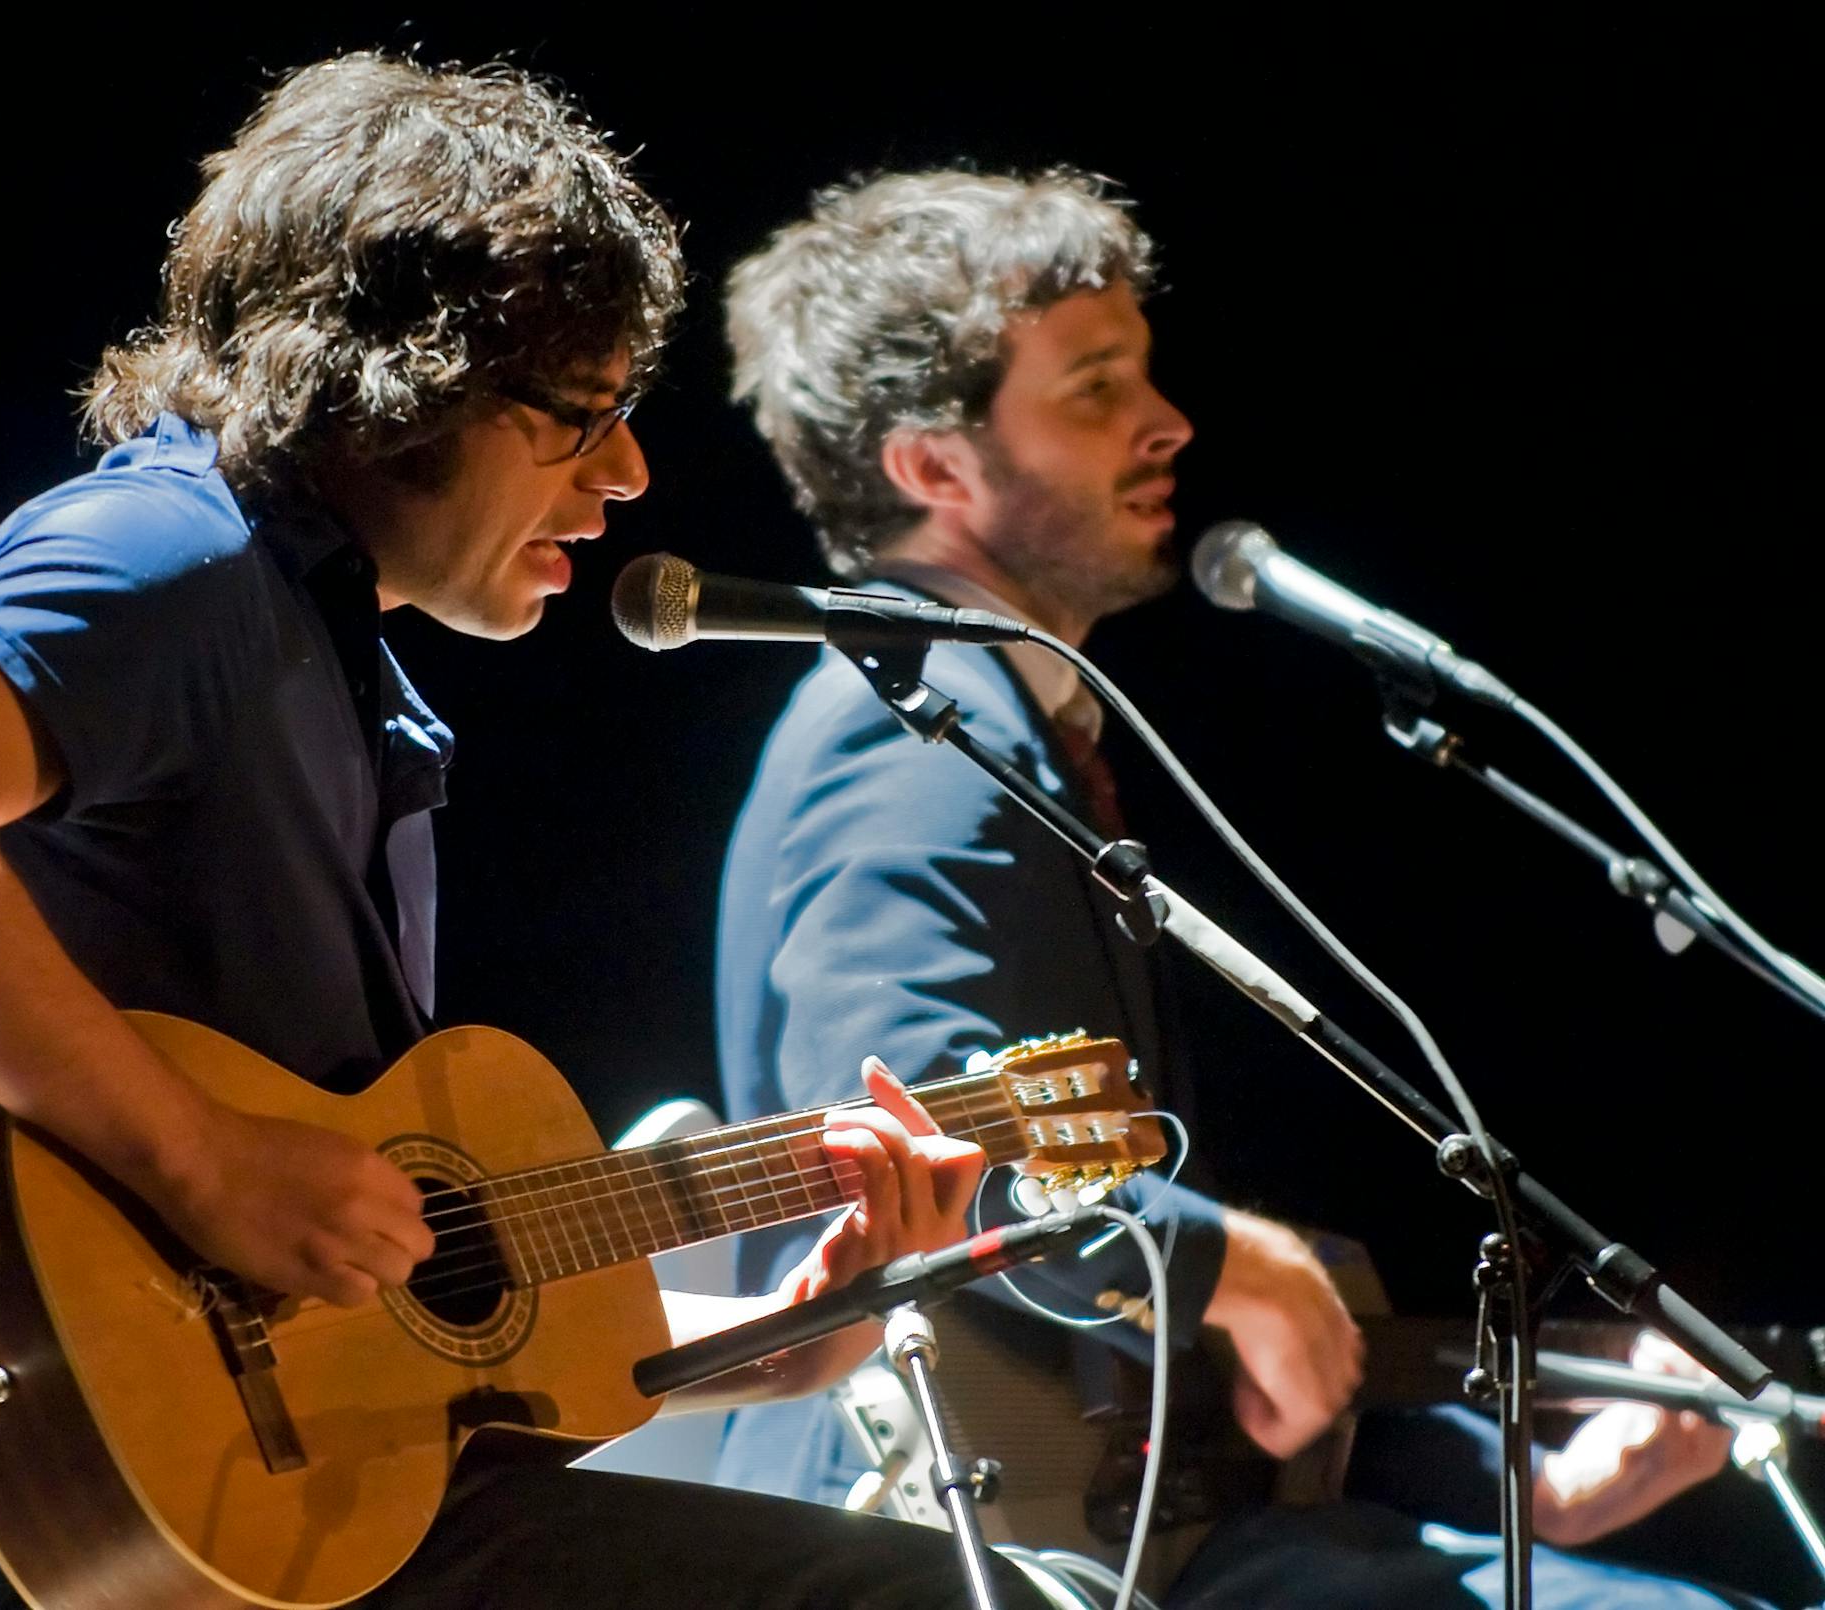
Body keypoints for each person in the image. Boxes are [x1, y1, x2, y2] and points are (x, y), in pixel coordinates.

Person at [0, 59, 1034, 1610]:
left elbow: (364, 1330)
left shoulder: (345, 683)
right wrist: (205, 1158)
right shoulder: (170, 556)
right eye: (577, 415)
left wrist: (776, 1345)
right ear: (400, 382)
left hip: (266, 1538)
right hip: (60, 1544)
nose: (624, 477)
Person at [709, 168, 1772, 1606]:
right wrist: (1227, 1265)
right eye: (1094, 388)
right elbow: (903, 1136)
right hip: (985, 1547)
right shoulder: (906, 743)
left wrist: (1530, 1486)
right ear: (934, 469)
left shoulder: (983, 718)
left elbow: (1142, 1354)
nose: (1168, 423)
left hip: (1139, 1527)